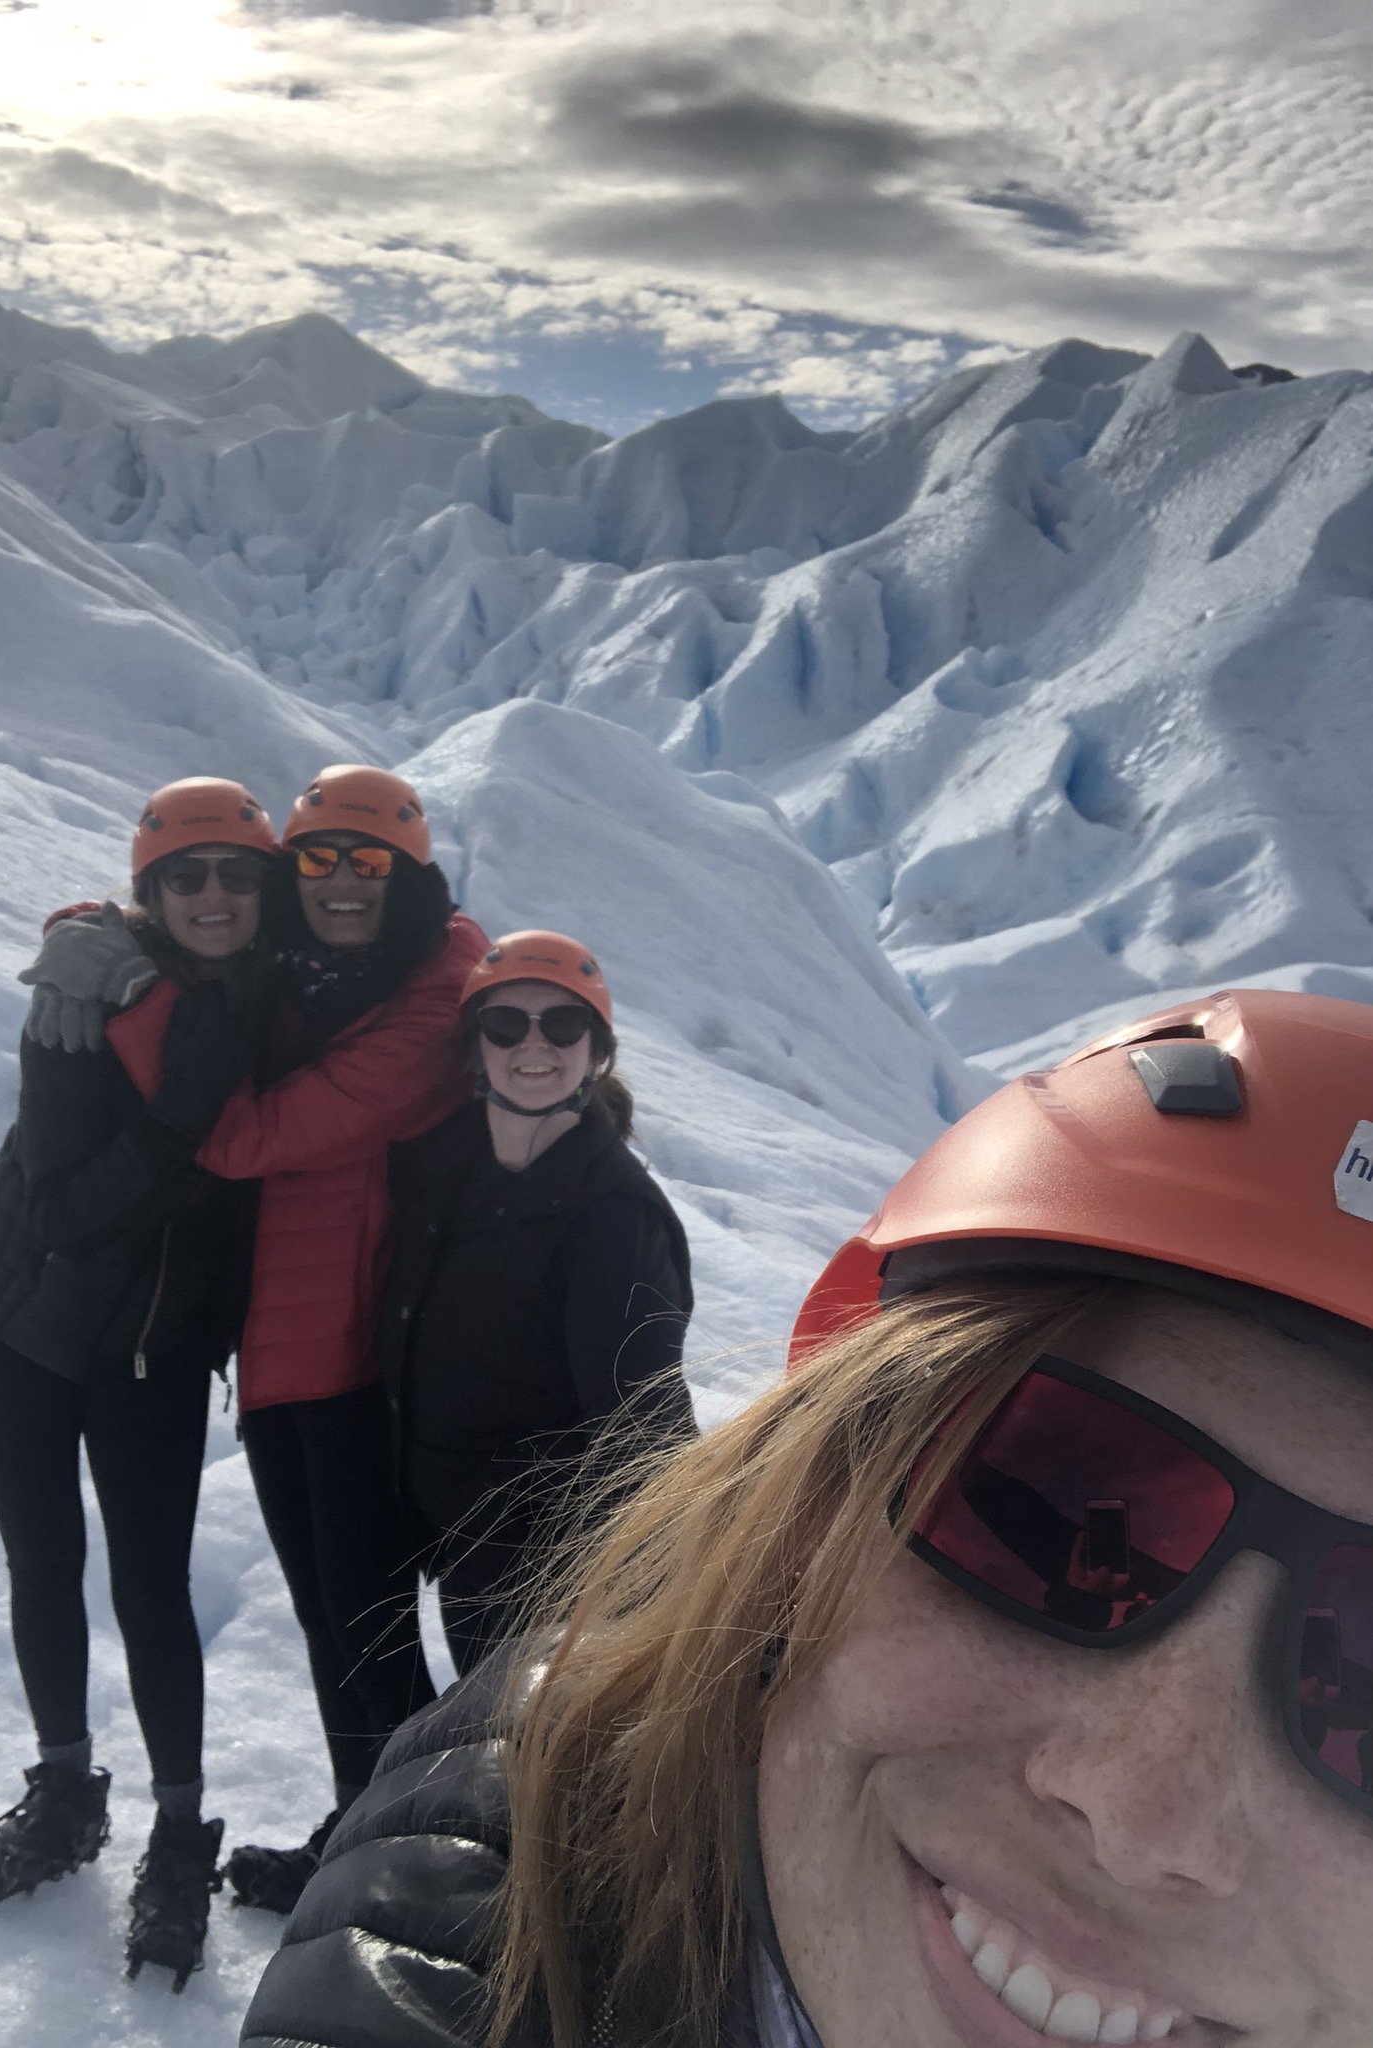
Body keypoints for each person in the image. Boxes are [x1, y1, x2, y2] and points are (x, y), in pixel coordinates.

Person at [240, 988, 1373, 2048]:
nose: (1138, 1811)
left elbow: (622, 1390)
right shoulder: (448, 1968)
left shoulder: (608, 1203)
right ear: (798, 1517)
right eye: (1049, 1515)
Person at [85, 764, 490, 1913]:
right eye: (318, 858)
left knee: (368, 1628)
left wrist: (133, 1000)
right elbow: (181, 932)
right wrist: (87, 927)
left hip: (361, 1358)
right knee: (335, 1626)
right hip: (283, 1351)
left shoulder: (429, 996)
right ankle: (362, 1827)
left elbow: (247, 1134)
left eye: (371, 861)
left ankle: (404, 1864)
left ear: (409, 873)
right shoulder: (308, 978)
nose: (343, 881)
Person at [0, 776, 276, 1989]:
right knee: (44, 1558)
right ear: (150, 894)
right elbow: (63, 1208)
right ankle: (64, 1787)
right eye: (184, 875)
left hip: (152, 1345)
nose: (211, 894)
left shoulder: (276, 1000)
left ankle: (180, 1835)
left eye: (236, 873)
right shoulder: (86, 999)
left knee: (149, 1585)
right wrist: (184, 1109)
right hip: (11, 1317)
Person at [379, 929, 695, 1677]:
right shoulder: (447, 1178)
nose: (534, 1045)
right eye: (505, 1024)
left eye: (563, 1024)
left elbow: (640, 1417)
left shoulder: (616, 1215)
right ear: (474, 1046)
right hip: (464, 1543)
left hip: (555, 1571)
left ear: (597, 1051)